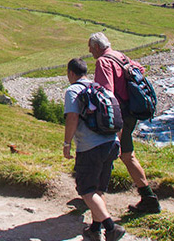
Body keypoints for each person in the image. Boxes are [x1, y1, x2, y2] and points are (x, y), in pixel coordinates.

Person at [89, 32, 160, 213]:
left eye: (90, 47)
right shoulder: (121, 56)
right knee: (127, 155)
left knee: (105, 151)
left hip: (118, 115)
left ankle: (94, 195)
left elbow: (106, 92)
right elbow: (140, 70)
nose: (89, 51)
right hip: (131, 112)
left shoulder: (103, 62)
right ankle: (148, 197)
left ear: (97, 47)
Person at [63, 57, 126, 241]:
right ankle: (95, 229)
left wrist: (67, 144)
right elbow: (117, 116)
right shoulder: (102, 88)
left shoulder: (73, 90)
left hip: (90, 146)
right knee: (99, 189)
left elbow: (72, 117)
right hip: (112, 142)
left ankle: (110, 227)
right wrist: (119, 142)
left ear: (71, 73)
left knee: (86, 190)